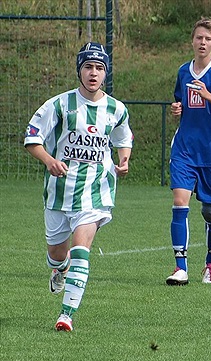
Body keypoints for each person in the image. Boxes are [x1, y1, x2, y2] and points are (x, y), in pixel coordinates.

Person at [24, 42, 133, 332]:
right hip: (59, 193)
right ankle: (60, 270)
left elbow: (123, 140)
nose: (93, 73)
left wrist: (123, 161)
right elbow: (32, 138)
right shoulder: (59, 104)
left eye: (99, 68)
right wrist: (49, 160)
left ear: (105, 73)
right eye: (88, 67)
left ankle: (66, 315)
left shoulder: (116, 109)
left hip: (96, 191)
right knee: (57, 255)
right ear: (79, 71)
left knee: (81, 249)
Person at [166, 17, 211, 286]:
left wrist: (208, 96)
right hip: (184, 148)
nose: (202, 42)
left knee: (209, 211)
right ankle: (180, 267)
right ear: (192, 41)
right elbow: (180, 101)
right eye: (199, 38)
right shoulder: (184, 71)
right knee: (179, 203)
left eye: (208, 38)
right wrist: (177, 109)